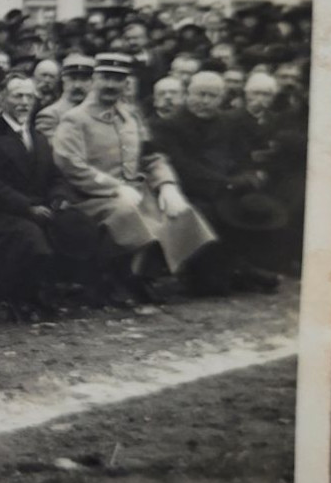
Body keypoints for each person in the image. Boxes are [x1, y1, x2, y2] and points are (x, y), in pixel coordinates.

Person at [51, 53, 216, 303]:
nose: (110, 85)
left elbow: (151, 157)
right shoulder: (75, 118)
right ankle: (118, 279)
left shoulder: (131, 116)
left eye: (117, 79)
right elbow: (70, 165)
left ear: (126, 83)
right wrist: (114, 187)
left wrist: (167, 186)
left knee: (179, 212)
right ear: (94, 79)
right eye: (105, 77)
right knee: (129, 213)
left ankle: (141, 276)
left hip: (134, 191)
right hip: (88, 197)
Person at [0, 74, 99, 317]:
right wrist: (28, 207)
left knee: (80, 224)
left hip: (40, 208)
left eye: (30, 96)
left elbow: (55, 176)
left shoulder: (37, 137)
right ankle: (24, 297)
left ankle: (70, 288)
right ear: (3, 98)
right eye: (18, 96)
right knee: (31, 236)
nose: (24, 102)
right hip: (0, 212)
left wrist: (59, 197)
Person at [148, 71, 282, 295]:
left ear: (221, 98)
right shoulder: (169, 125)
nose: (205, 101)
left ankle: (241, 268)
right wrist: (226, 184)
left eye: (212, 96)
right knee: (209, 212)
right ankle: (216, 274)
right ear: (188, 94)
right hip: (190, 190)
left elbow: (241, 157)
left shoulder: (228, 122)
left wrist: (246, 177)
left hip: (228, 187)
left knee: (257, 205)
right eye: (200, 94)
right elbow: (182, 166)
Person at [33, 54, 95, 138]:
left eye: (84, 79)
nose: (77, 85)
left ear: (93, 81)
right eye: (73, 79)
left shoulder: (101, 112)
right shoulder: (50, 116)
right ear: (63, 80)